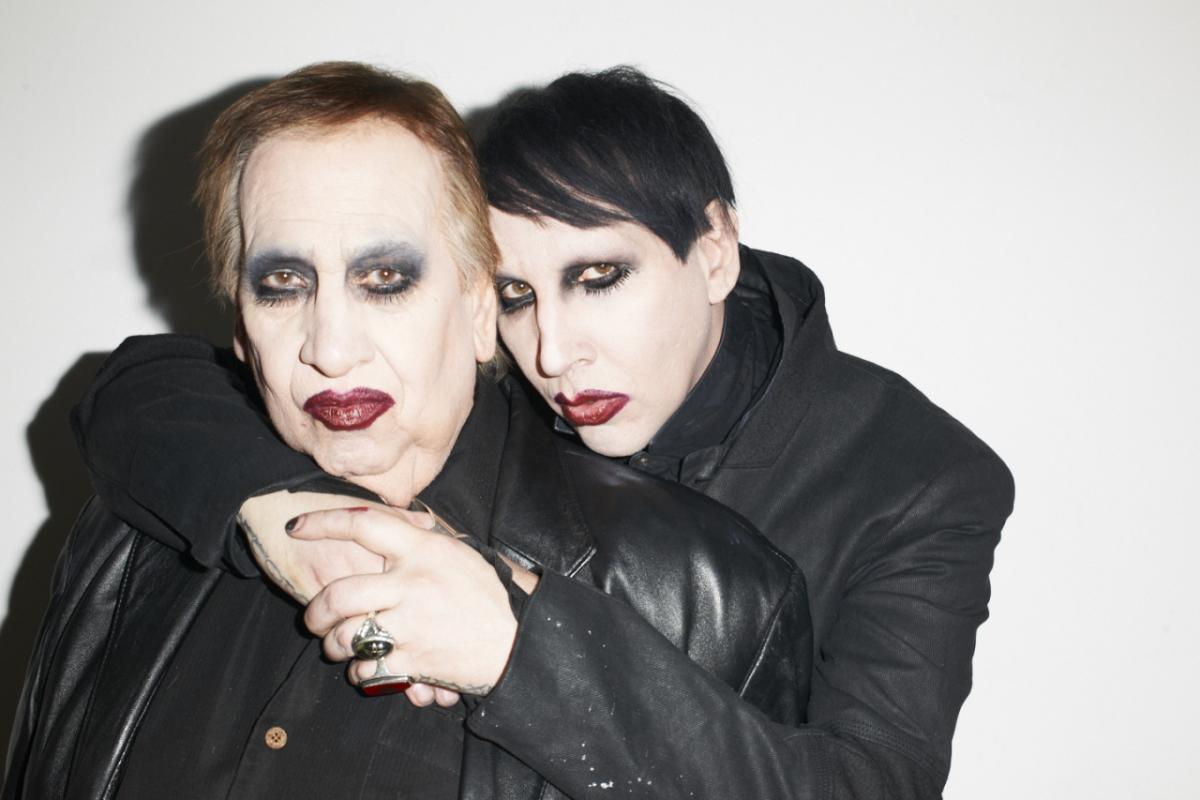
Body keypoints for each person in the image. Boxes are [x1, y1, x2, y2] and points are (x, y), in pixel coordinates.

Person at [68, 66, 1012, 797]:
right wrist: (284, 509)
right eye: (516, 294)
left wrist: (519, 654)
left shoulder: (915, 479)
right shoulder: (489, 368)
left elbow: (869, 785)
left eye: (599, 278)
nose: (552, 354)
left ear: (715, 252)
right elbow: (142, 389)